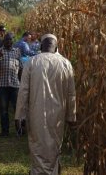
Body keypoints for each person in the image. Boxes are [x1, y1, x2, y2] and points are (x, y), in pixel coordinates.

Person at [15, 34, 76, 175]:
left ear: (41, 46)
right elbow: (71, 94)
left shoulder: (31, 62)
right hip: (58, 115)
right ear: (57, 47)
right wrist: (71, 117)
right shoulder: (66, 63)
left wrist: (20, 115)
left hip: (36, 113)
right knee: (54, 146)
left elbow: (23, 91)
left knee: (37, 147)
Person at [0, 32, 22, 137]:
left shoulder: (17, 52)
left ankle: (19, 130)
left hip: (15, 85)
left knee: (17, 108)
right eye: (6, 40)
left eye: (10, 40)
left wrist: (21, 82)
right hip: (2, 85)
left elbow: (20, 68)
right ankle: (5, 131)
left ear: (13, 41)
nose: (8, 41)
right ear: (3, 41)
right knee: (4, 110)